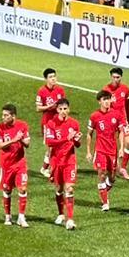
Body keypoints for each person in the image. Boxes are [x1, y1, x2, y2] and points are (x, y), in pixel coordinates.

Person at [43, 97, 81, 230]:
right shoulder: (51, 124)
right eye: (60, 109)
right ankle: (61, 214)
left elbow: (77, 144)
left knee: (69, 188)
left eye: (65, 108)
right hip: (56, 160)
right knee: (59, 189)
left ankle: (70, 219)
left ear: (69, 109)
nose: (63, 111)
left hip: (70, 160)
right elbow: (49, 142)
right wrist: (66, 138)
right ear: (57, 110)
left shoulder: (74, 123)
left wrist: (76, 140)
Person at [88, 90, 127, 210]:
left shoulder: (117, 115)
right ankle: (105, 203)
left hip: (112, 150)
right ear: (99, 101)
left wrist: (121, 148)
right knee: (102, 173)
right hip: (100, 150)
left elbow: (121, 132)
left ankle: (104, 189)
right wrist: (88, 151)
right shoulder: (94, 116)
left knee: (112, 178)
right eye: (104, 99)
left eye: (108, 99)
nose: (107, 102)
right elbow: (89, 133)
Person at [0, 103, 31, 228]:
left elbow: (27, 144)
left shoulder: (23, 125)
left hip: (20, 163)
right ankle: (8, 216)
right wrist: (14, 140)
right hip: (6, 164)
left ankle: (21, 217)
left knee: (22, 188)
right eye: (3, 115)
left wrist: (21, 140)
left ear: (13, 116)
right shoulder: (0, 127)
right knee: (7, 190)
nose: (3, 117)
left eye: (6, 115)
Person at [102, 67, 129, 179]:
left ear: (121, 77)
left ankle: (123, 168)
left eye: (118, 77)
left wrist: (128, 119)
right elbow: (103, 108)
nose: (115, 80)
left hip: (122, 120)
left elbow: (127, 105)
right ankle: (112, 166)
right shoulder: (106, 90)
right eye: (114, 77)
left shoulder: (125, 89)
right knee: (111, 146)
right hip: (110, 121)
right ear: (111, 77)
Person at [34, 68, 63, 178]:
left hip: (59, 123)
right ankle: (44, 168)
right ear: (46, 79)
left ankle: (53, 167)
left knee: (58, 147)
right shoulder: (42, 91)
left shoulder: (60, 90)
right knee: (51, 147)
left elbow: (64, 106)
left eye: (54, 76)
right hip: (47, 123)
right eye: (50, 77)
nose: (53, 79)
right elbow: (38, 108)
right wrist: (49, 107)